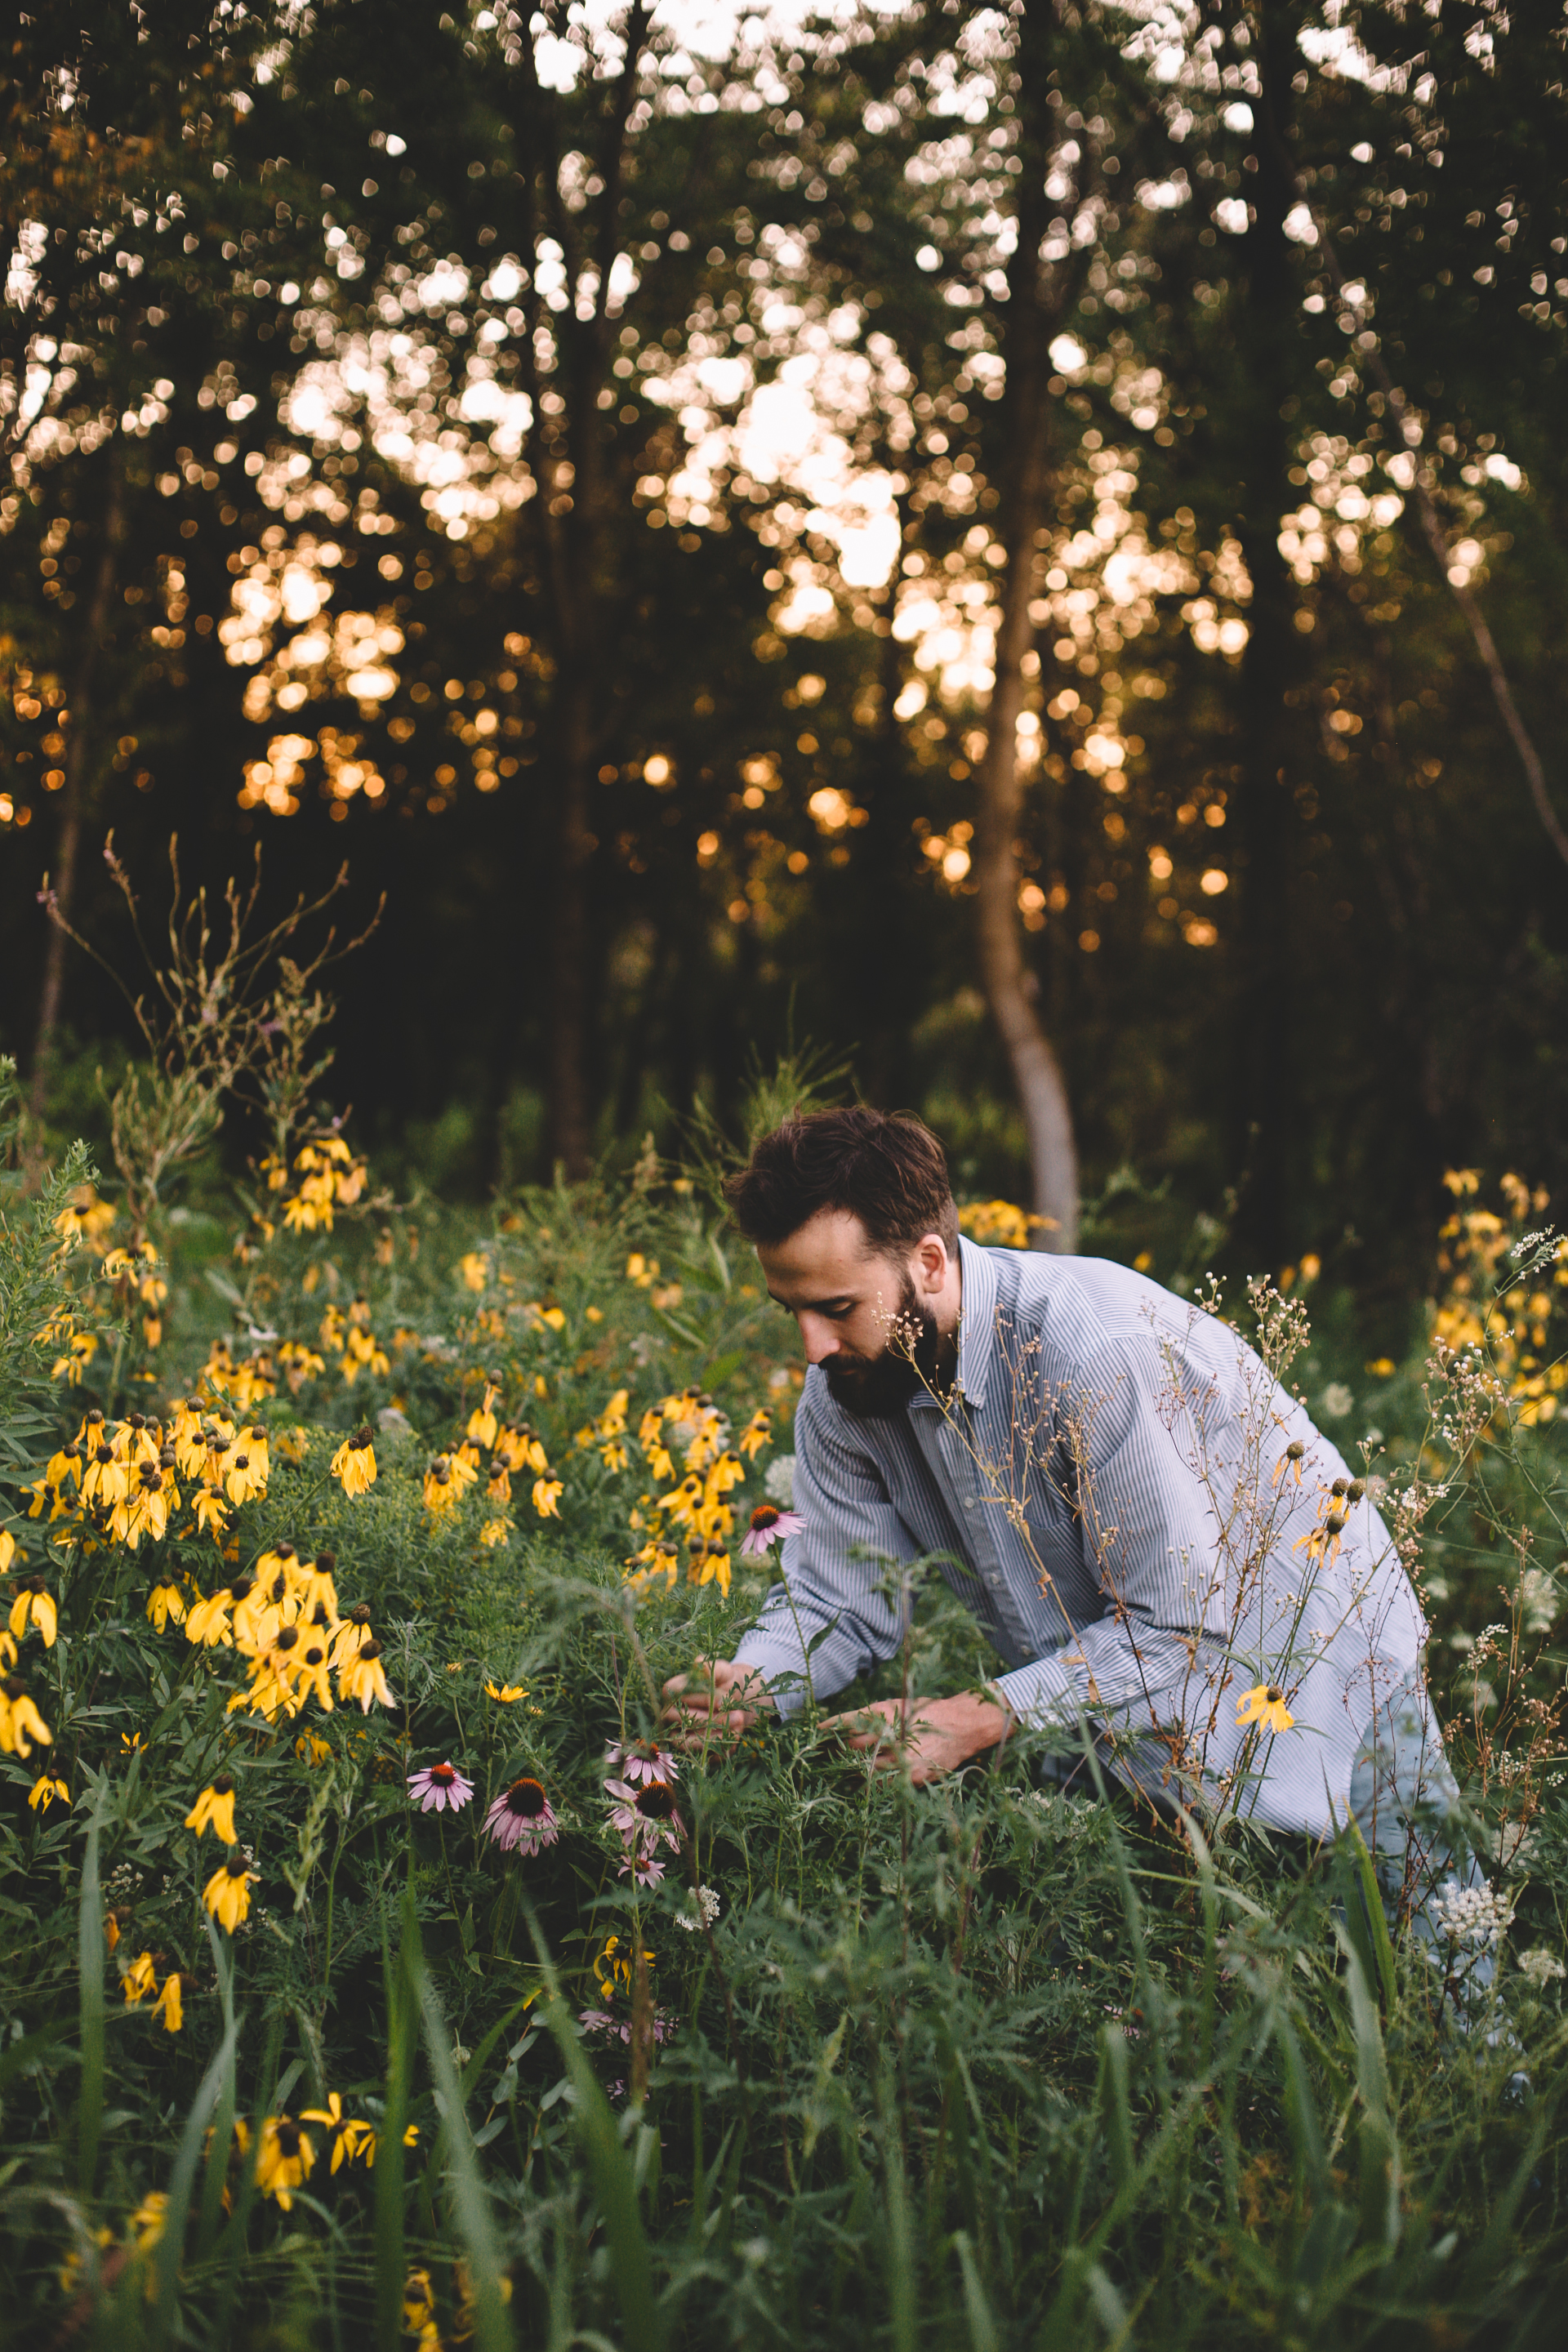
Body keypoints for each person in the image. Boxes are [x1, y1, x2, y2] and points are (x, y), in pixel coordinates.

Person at [662, 1107, 1468, 1899]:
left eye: (837, 1308)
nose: (811, 1346)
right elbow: (836, 1594)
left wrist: (979, 1713)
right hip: (1133, 1721)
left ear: (931, 1263)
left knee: (1435, 1981)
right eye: (792, 1310)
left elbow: (1180, 1630)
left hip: (1328, 1671)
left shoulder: (1089, 1355)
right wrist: (755, 1681)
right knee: (1201, 1994)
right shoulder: (845, 1389)